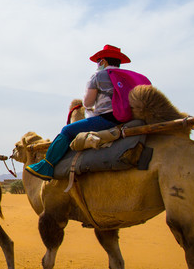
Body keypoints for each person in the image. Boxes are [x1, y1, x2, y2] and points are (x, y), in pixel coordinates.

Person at [26, 44, 137, 180]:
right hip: (129, 119)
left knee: (66, 130)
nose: (98, 64)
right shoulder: (129, 77)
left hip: (108, 119)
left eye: (98, 61)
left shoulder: (98, 76)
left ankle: (46, 165)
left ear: (104, 61)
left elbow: (88, 103)